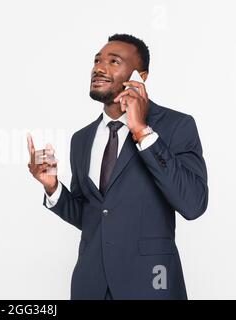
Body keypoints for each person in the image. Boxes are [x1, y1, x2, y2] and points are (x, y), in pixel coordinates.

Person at [27, 34, 208, 300]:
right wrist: (53, 188)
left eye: (114, 61)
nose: (99, 67)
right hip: (91, 286)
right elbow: (94, 217)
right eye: (97, 60)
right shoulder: (82, 139)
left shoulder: (176, 126)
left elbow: (193, 204)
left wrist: (142, 131)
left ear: (139, 76)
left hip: (151, 286)